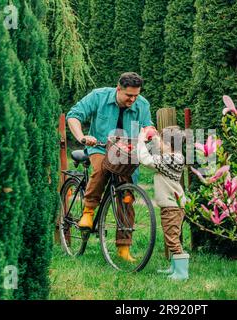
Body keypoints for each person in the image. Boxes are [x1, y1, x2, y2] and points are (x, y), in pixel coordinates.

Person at [66, 72, 155, 262]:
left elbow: (148, 129)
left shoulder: (142, 105)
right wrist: (82, 137)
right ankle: (88, 212)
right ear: (118, 89)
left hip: (125, 154)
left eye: (136, 95)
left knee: (127, 196)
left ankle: (124, 247)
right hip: (98, 147)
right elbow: (73, 115)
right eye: (128, 95)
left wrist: (151, 137)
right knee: (101, 169)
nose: (133, 99)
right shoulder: (98, 96)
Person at [137, 125, 190, 280]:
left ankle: (181, 273)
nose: (159, 143)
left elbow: (146, 160)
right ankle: (174, 268)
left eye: (161, 141)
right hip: (172, 205)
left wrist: (141, 141)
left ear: (167, 145)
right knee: (171, 236)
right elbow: (158, 153)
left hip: (172, 206)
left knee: (172, 238)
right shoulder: (174, 156)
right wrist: (155, 139)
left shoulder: (172, 159)